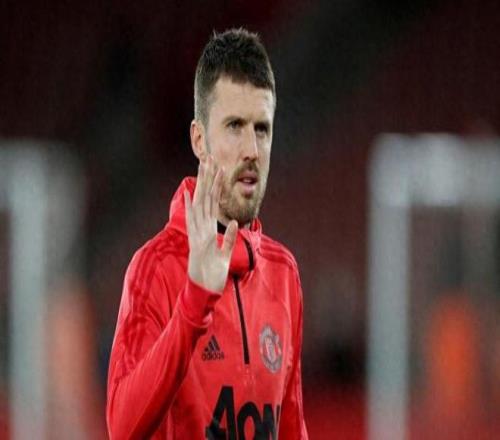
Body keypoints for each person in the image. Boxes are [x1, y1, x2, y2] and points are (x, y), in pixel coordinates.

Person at [106, 28, 309, 439]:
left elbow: (291, 427)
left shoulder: (283, 273)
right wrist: (194, 301)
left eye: (262, 129)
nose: (252, 150)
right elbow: (122, 427)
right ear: (199, 140)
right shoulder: (156, 268)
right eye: (234, 126)